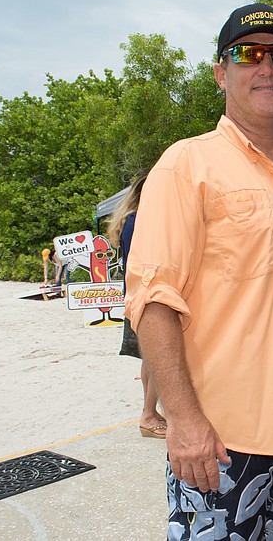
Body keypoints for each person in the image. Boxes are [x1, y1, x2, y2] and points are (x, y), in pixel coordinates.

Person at [124, 2, 273, 540]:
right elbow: (153, 298)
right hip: (218, 440)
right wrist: (182, 418)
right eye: (248, 54)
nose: (266, 67)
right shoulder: (186, 165)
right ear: (223, 71)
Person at [106, 174, 166, 439]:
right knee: (159, 357)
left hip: (136, 296)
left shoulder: (129, 220)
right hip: (147, 296)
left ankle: (150, 412)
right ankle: (149, 415)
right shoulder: (141, 221)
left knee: (149, 358)